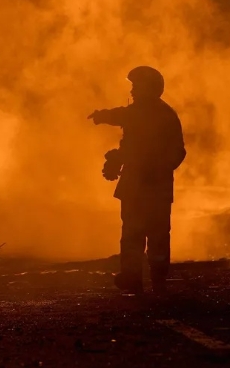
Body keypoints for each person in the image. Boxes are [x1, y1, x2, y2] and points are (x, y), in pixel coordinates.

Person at [89, 66, 186, 293]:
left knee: (139, 234)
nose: (132, 90)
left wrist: (102, 117)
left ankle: (139, 279)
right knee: (154, 235)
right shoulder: (161, 114)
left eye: (136, 86)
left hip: (142, 187)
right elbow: (134, 140)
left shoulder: (149, 114)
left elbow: (173, 152)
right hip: (151, 187)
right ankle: (151, 281)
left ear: (149, 89)